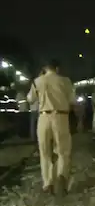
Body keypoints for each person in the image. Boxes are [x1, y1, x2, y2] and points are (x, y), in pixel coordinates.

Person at [27, 59, 75, 195]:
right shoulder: (65, 81)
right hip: (61, 117)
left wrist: (38, 80)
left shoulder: (37, 81)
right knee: (63, 151)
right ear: (57, 68)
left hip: (43, 117)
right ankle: (61, 176)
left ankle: (47, 182)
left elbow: (30, 99)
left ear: (44, 68)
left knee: (45, 152)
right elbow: (72, 100)